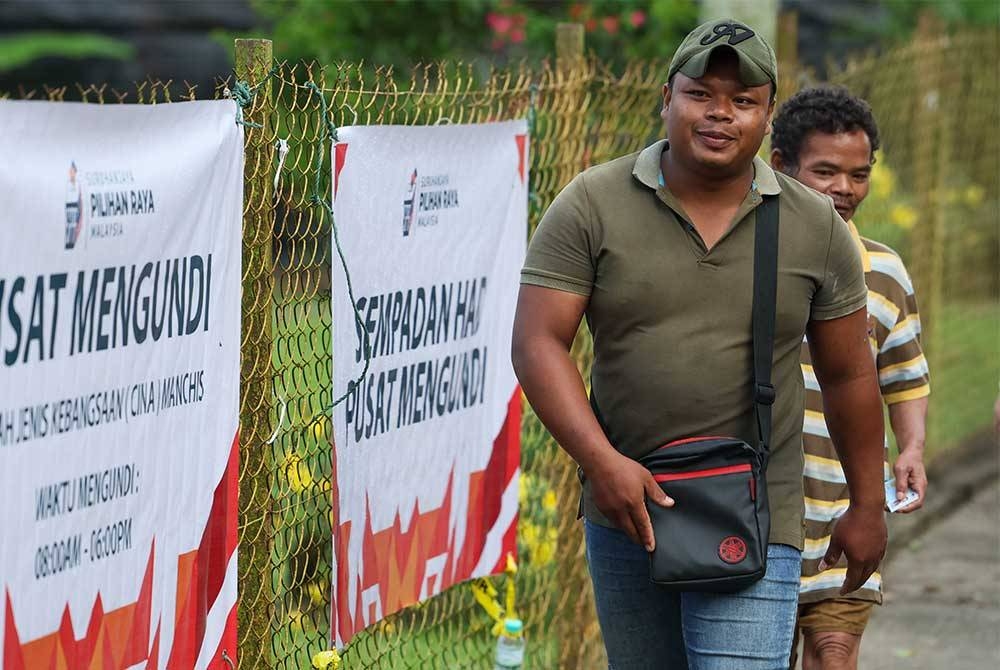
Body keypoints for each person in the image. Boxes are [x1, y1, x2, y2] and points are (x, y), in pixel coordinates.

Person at [511, 18, 888, 669]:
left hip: (755, 510)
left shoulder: (813, 226)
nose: (721, 114)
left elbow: (851, 374)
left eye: (743, 100)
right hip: (628, 505)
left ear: (769, 116)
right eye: (702, 94)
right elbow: (537, 341)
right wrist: (603, 464)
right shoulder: (592, 204)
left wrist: (868, 503)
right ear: (667, 97)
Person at [770, 86, 931, 670]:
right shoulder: (752, 265)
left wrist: (910, 445)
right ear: (780, 165)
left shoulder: (883, 271)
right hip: (763, 512)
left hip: (846, 506)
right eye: (826, 171)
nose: (845, 188)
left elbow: (906, 372)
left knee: (835, 650)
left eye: (859, 174)